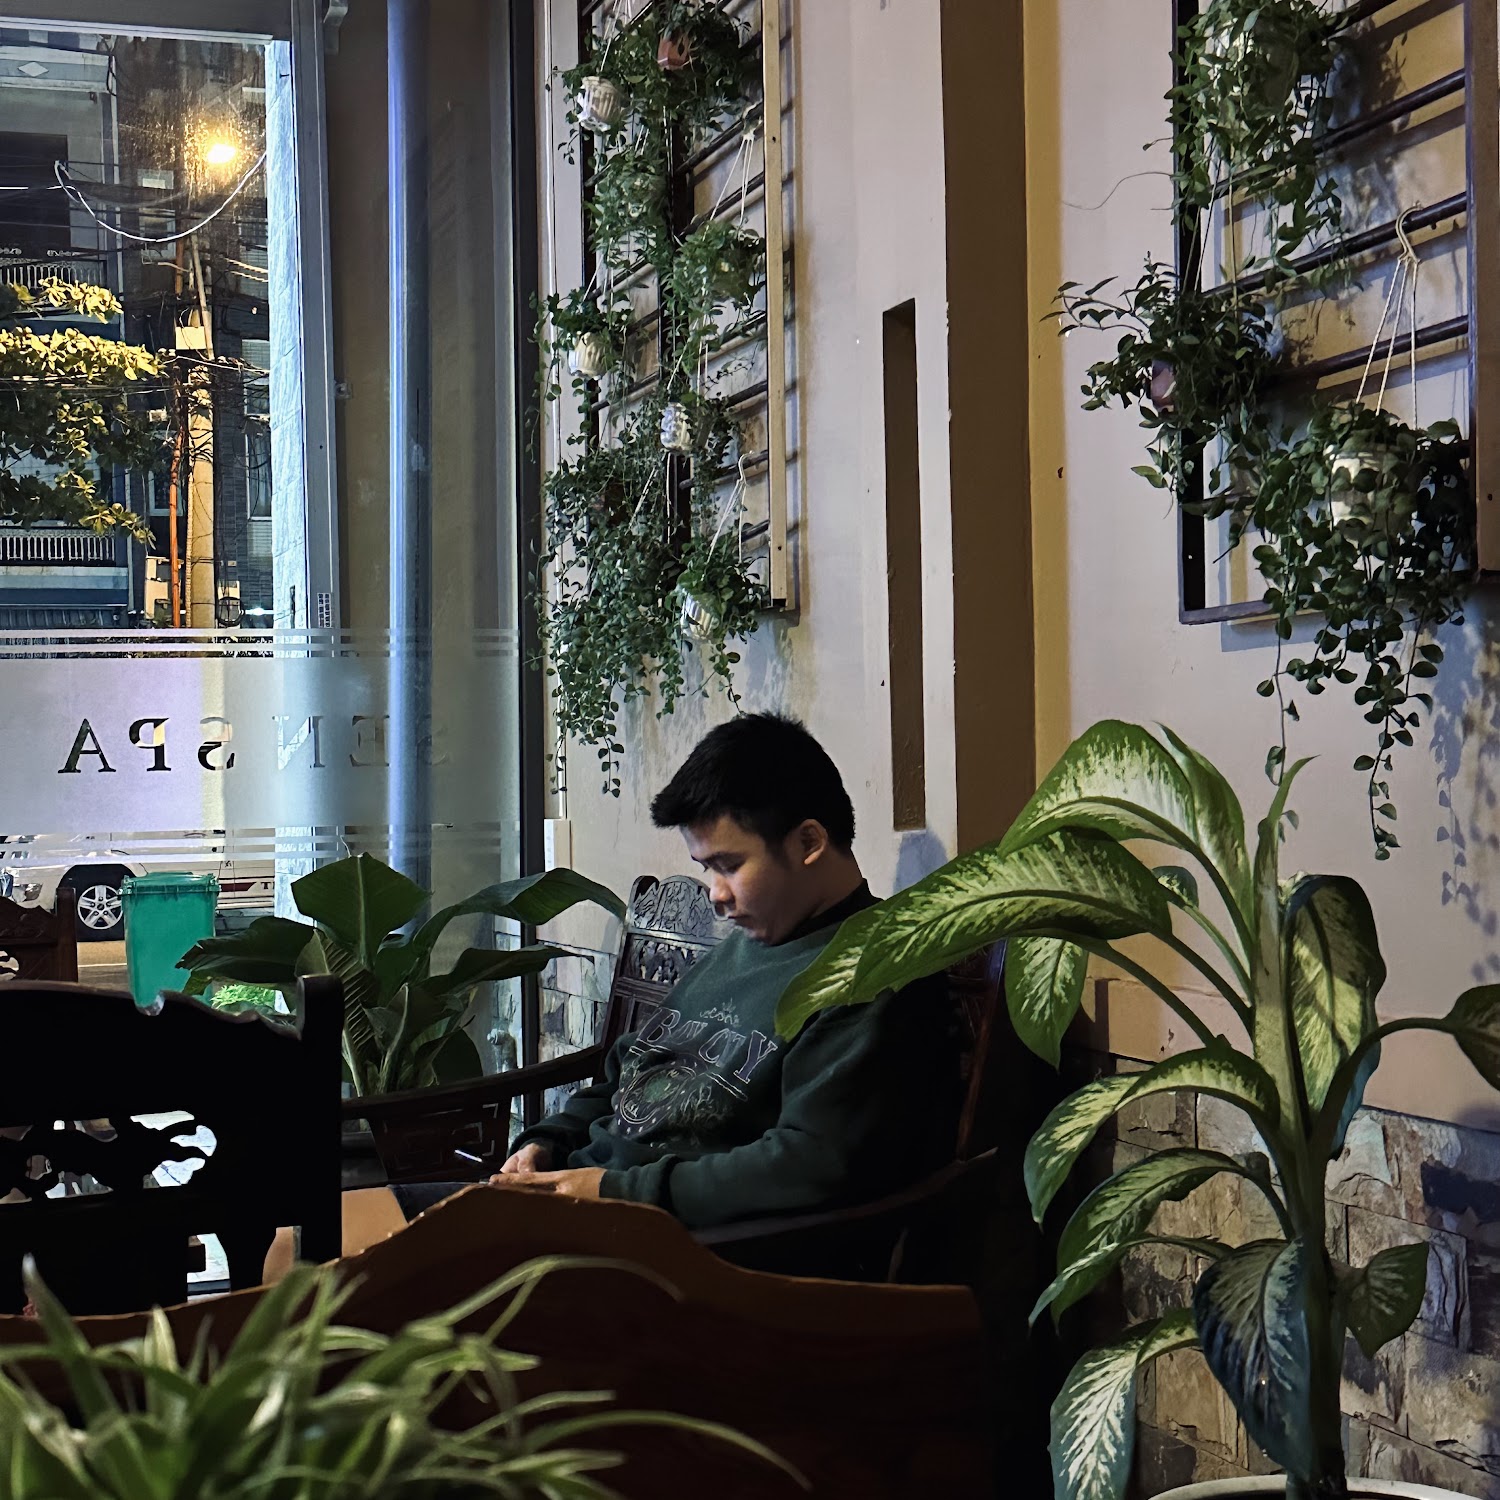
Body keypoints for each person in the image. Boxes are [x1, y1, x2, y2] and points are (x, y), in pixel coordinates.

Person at [329, 714, 956, 1268]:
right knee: (313, 1237)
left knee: (328, 1282)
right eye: (706, 869)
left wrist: (613, 1193)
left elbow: (808, 1166)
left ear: (809, 842)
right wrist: (549, 1141)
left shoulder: (873, 975)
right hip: (583, 1207)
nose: (716, 895)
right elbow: (625, 1072)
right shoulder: (747, 944)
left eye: (730, 866)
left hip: (660, 1257)